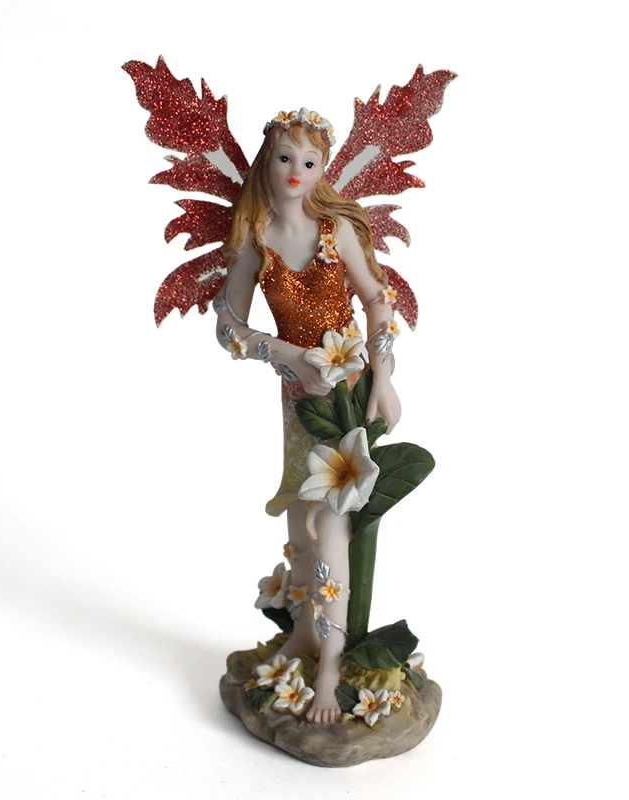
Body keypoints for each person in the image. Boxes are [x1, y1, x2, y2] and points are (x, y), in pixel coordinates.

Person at [213, 109, 401, 724]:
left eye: (309, 161)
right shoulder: (256, 236)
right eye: (285, 158)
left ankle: (330, 664)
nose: (296, 172)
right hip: (299, 402)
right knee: (300, 518)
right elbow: (229, 327)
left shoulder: (334, 230)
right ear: (267, 161)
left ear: (323, 169)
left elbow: (376, 298)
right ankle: (301, 634)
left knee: (330, 525)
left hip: (348, 395)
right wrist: (286, 354)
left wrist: (384, 375)